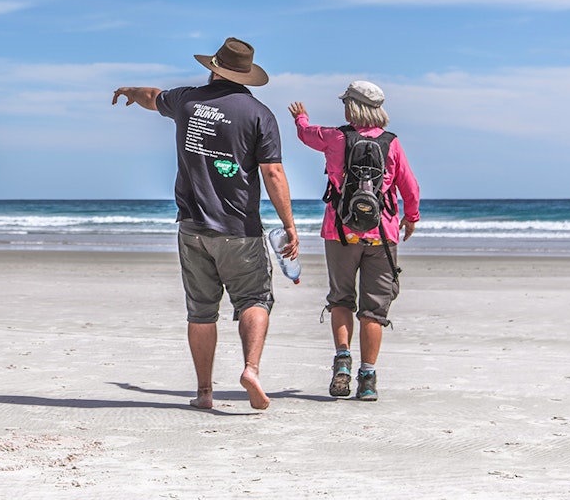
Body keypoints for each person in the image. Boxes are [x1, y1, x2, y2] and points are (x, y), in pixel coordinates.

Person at [113, 37, 298, 411]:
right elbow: (273, 172)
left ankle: (204, 393)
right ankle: (250, 369)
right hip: (239, 230)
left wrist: (129, 91)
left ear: (214, 67)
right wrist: (289, 225)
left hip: (192, 228)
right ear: (245, 73)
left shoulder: (186, 100)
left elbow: (152, 96)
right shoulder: (259, 114)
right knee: (254, 298)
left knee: (200, 311)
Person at [288, 81, 420, 401]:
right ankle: (369, 378)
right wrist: (410, 217)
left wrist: (300, 118)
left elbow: (306, 135)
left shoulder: (335, 137)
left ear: (352, 106)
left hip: (340, 233)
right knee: (373, 311)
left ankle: (343, 364)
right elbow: (409, 186)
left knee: (342, 299)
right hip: (382, 235)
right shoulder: (392, 143)